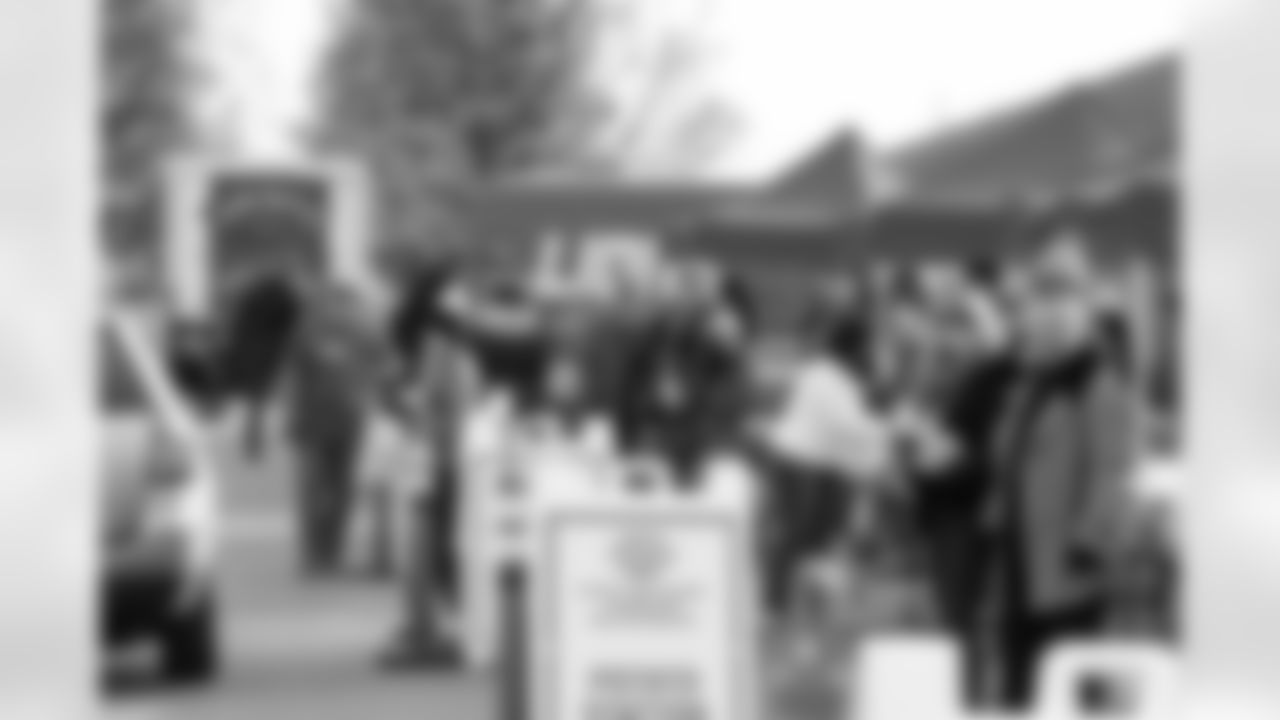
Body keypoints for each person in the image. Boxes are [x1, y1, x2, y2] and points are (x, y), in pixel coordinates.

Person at [979, 235, 1138, 711]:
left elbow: (1114, 470)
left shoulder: (1098, 386)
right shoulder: (1033, 384)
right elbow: (1008, 453)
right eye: (1038, 302)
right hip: (1020, 558)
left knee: (1064, 681)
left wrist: (1090, 542)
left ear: (1080, 312)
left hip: (1068, 567)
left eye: (1057, 302)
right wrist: (994, 514)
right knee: (1018, 675)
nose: (1040, 318)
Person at [282, 279, 365, 577]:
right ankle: (313, 555)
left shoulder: (359, 334)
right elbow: (294, 378)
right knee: (313, 491)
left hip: (348, 423)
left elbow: (374, 371)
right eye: (335, 303)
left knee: (342, 491)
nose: (340, 310)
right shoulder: (306, 334)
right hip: (312, 424)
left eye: (344, 304)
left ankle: (332, 553)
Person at [222, 270, 302, 459]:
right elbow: (295, 322)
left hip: (253, 352)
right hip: (277, 351)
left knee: (257, 400)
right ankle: (292, 432)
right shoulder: (285, 299)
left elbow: (238, 326)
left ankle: (253, 439)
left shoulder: (251, 299)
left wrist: (237, 348)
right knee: (290, 393)